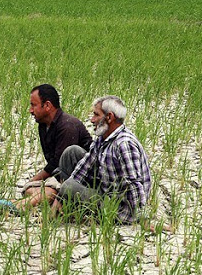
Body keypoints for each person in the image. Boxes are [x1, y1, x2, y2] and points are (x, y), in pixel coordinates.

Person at [0, 84, 92, 212]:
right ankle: (34, 200)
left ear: (48, 105)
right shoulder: (44, 125)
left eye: (34, 105)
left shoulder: (67, 126)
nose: (30, 110)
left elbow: (59, 163)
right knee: (30, 189)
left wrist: (36, 178)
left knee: (50, 189)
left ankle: (20, 206)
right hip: (60, 175)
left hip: (79, 178)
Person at [51, 95, 151, 223]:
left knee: (68, 187)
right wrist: (60, 198)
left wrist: (140, 218)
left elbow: (134, 184)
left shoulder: (124, 144)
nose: (92, 120)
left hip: (117, 206)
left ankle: (72, 206)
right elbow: (83, 168)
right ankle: (66, 205)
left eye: (96, 115)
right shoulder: (103, 138)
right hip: (105, 188)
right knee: (71, 153)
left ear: (109, 117)